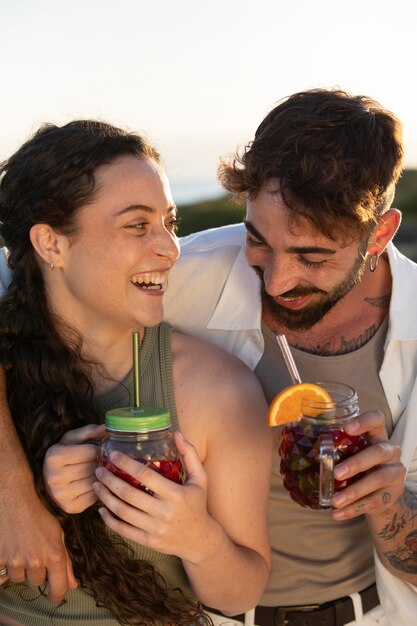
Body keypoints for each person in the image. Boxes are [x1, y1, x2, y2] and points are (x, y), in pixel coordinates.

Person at [0, 120, 272, 626]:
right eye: (137, 225)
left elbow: (240, 593)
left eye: (170, 223)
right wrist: (28, 497)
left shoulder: (217, 390)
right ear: (51, 244)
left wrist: (199, 540)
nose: (170, 249)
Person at [163, 89, 417, 626]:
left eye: (313, 256)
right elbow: (23, 295)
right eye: (258, 241)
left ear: (381, 234)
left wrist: (389, 506)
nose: (277, 282)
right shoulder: (182, 274)